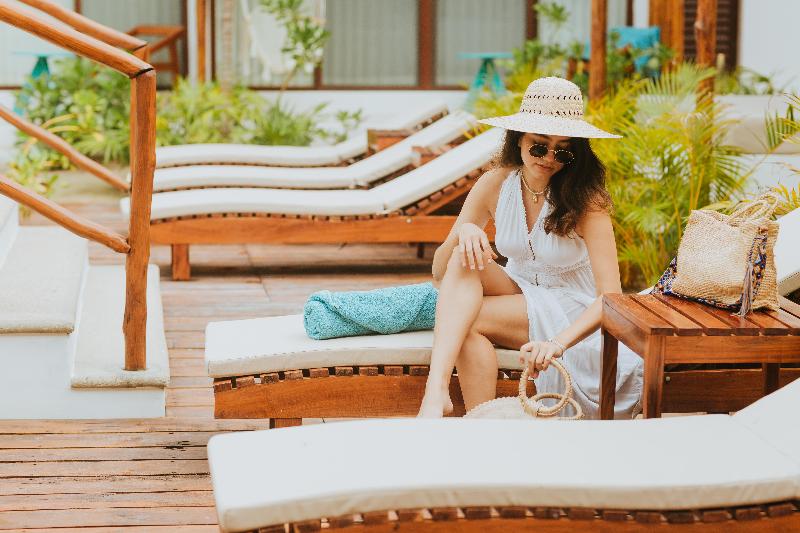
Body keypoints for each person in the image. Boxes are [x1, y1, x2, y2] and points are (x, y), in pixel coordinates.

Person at [417, 77, 642, 419]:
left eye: (563, 150)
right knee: (463, 258)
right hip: (518, 290)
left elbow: (610, 297)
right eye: (539, 146)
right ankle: (437, 395)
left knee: (464, 321)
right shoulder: (495, 184)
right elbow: (439, 270)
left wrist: (558, 343)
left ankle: (477, 419)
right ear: (519, 138)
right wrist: (465, 232)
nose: (549, 158)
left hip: (569, 308)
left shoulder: (587, 200)